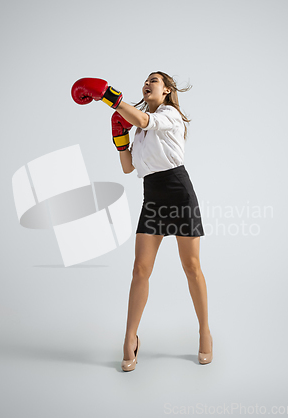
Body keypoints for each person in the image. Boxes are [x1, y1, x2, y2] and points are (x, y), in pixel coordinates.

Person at [71, 72, 213, 372]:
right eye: (146, 81)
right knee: (140, 269)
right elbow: (127, 167)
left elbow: (146, 120)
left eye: (154, 81)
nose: (147, 84)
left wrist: (109, 96)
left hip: (179, 192)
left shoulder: (169, 115)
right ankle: (129, 338)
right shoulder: (138, 129)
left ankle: (204, 332)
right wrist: (120, 138)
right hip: (152, 197)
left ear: (167, 90)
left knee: (191, 267)